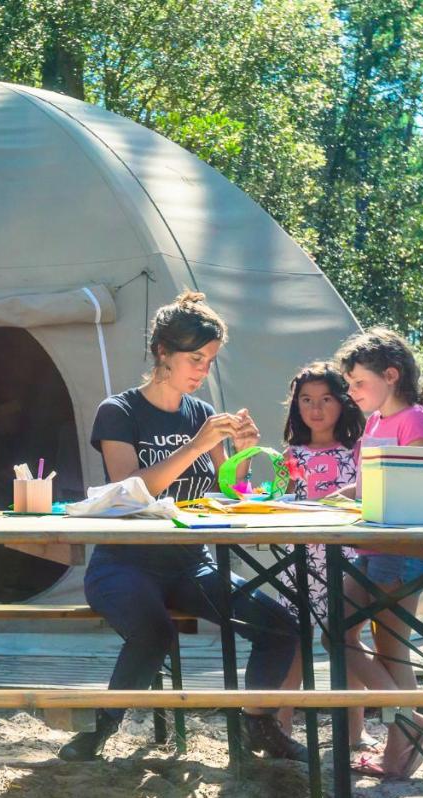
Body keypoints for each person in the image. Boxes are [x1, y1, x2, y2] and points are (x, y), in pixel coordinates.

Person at [58, 292, 305, 762]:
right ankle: (98, 730)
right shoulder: (120, 411)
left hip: (191, 563)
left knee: (281, 625)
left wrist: (244, 452)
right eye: (195, 358)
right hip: (124, 564)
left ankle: (259, 724)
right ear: (162, 353)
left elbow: (232, 492)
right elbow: (128, 490)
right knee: (154, 632)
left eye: (209, 361)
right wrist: (197, 445)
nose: (202, 371)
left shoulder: (201, 415)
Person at [334, 327, 423, 778]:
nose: (352, 392)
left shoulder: (415, 421)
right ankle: (400, 755)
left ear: (391, 375)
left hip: (401, 548)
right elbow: (368, 486)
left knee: (351, 635)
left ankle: (407, 718)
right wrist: (324, 499)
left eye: (359, 382)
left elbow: (419, 490)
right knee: (383, 647)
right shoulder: (377, 422)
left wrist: (358, 499)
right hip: (373, 544)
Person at [276, 361, 376, 751]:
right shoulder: (292, 453)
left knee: (346, 640)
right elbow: (279, 500)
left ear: (344, 402)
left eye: (326, 399)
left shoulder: (359, 450)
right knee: (295, 638)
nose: (315, 409)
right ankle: (280, 725)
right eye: (306, 400)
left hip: (348, 557)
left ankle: (355, 730)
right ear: (295, 405)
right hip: (298, 559)